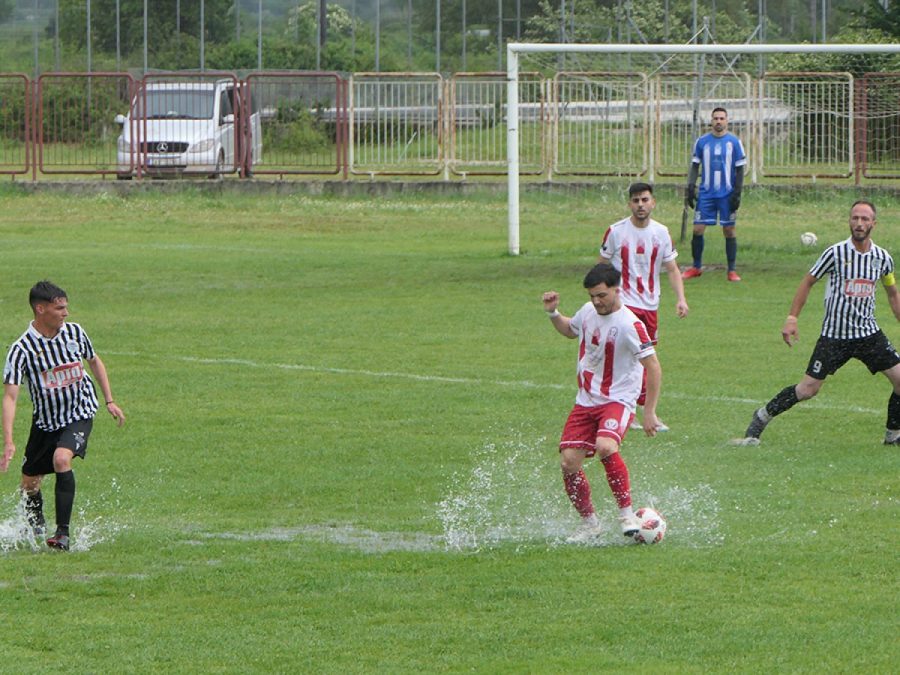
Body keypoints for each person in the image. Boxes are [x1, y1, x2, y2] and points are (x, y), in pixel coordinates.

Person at [734, 200, 900, 446]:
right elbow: (808, 281)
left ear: (874, 223)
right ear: (849, 221)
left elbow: (892, 293)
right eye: (855, 218)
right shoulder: (835, 253)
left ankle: (893, 436)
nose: (859, 223)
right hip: (835, 336)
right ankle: (761, 417)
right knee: (807, 390)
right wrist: (792, 318)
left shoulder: (882, 258)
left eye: (865, 219)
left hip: (868, 334)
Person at [543, 263, 663, 543]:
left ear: (616, 289)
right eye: (592, 296)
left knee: (606, 446)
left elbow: (653, 366)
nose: (597, 302)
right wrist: (553, 313)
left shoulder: (630, 324)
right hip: (585, 401)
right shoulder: (587, 312)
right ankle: (590, 524)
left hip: (617, 400)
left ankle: (626, 515)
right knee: (568, 462)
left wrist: (649, 412)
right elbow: (570, 331)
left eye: (601, 295)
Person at [1, 281, 125, 551]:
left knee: (61, 459)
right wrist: (8, 441)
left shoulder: (75, 333)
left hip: (79, 412)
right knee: (29, 485)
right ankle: (35, 529)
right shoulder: (21, 350)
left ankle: (63, 534)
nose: (66, 313)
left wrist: (109, 400)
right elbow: (10, 397)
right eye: (60, 308)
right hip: (45, 422)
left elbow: (94, 361)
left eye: (66, 307)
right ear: (40, 309)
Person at [599, 182, 689, 431]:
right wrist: (601, 299)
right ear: (630, 203)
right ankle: (639, 412)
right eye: (636, 200)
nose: (640, 205)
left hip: (650, 306)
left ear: (653, 202)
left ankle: (636, 411)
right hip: (623, 305)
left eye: (645, 200)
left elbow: (671, 268)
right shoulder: (616, 231)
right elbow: (602, 267)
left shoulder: (661, 233)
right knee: (634, 358)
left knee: (643, 359)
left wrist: (681, 299)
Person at [683, 107, 747, 282]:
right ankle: (696, 267)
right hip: (706, 194)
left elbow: (740, 169)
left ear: (727, 121)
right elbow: (695, 166)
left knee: (729, 230)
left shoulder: (734, 142)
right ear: (711, 121)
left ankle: (731, 270)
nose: (718, 121)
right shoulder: (702, 142)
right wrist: (690, 186)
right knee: (697, 229)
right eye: (716, 118)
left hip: (727, 193)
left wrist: (737, 192)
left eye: (722, 118)